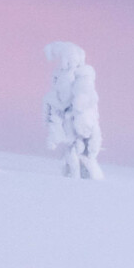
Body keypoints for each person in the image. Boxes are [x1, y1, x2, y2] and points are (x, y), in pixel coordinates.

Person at [42, 41, 103, 180]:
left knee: (78, 153)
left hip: (78, 128)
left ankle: (80, 179)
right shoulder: (64, 82)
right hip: (73, 127)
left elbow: (81, 104)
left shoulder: (82, 82)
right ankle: (76, 178)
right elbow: (58, 106)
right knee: (73, 154)